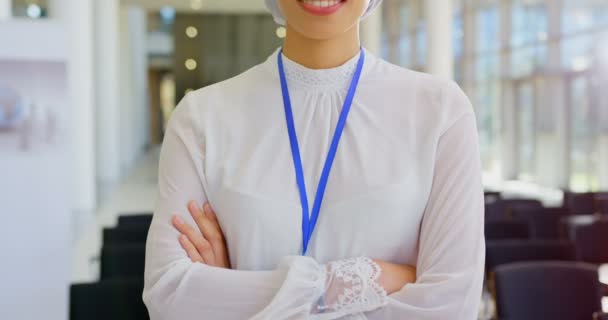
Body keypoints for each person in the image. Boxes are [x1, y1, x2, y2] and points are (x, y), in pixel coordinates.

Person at [143, 0, 485, 319]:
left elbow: (451, 306)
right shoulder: (201, 118)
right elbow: (168, 293)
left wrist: (234, 292)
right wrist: (353, 282)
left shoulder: (440, 112)